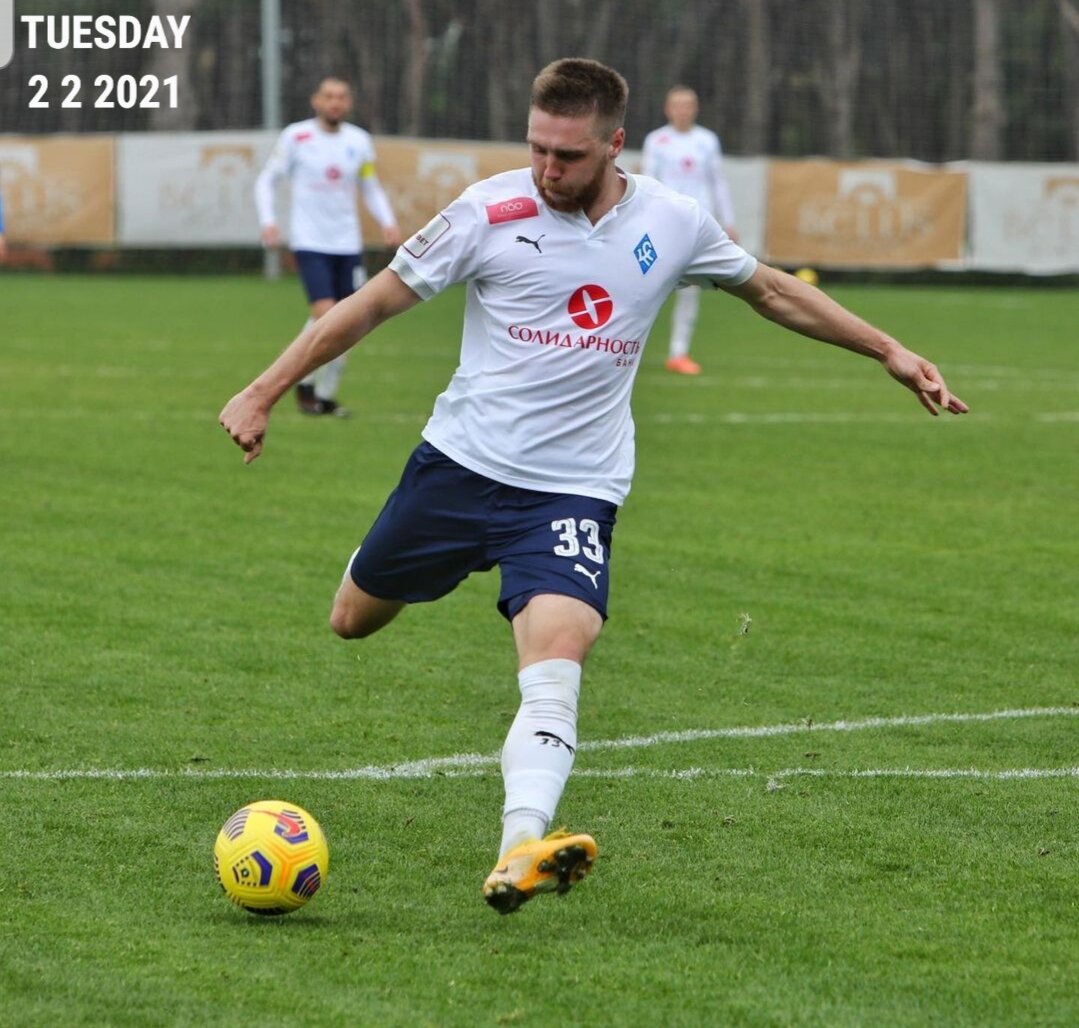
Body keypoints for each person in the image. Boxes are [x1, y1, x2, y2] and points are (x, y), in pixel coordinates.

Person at [221, 58, 967, 915]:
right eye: (536, 149)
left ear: (614, 144)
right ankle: (415, 561)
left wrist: (889, 350)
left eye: (566, 157)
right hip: (456, 471)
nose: (546, 171)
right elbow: (368, 305)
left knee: (557, 656)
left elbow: (767, 291)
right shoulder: (488, 211)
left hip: (572, 490)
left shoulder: (673, 221)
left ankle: (519, 847)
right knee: (351, 620)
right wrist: (262, 389)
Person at [255, 76, 402, 416]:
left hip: (347, 244)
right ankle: (304, 382)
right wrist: (268, 220)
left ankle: (323, 395)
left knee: (353, 320)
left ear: (348, 103)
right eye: (328, 96)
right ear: (315, 101)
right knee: (328, 315)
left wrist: (388, 221)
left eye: (341, 96)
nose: (335, 102)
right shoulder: (297, 136)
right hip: (310, 242)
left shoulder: (358, 141)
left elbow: (370, 186)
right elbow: (267, 179)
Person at [642, 86, 738, 375]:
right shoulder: (657, 140)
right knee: (645, 288)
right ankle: (626, 351)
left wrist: (728, 221)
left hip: (697, 225)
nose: (683, 110)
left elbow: (717, 181)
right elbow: (648, 182)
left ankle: (679, 352)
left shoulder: (707, 141)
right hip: (663, 224)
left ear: (695, 108)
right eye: (678, 105)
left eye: (688, 105)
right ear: (668, 109)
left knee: (690, 291)